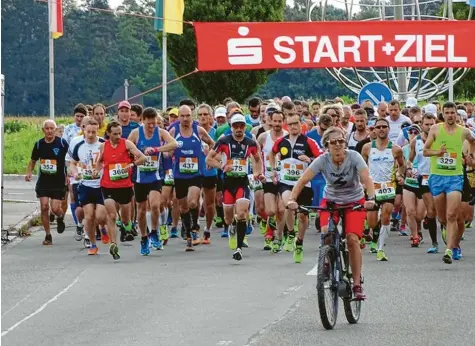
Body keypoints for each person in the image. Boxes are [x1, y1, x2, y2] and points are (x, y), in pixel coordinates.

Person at [288, 126, 376, 300]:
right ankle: (327, 260)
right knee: (326, 232)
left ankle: (357, 284)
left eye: (341, 141)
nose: (338, 145)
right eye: (333, 142)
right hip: (331, 201)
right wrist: (292, 200)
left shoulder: (354, 156)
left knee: (352, 238)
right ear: (326, 146)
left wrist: (371, 198)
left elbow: (366, 178)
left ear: (345, 142)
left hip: (354, 201)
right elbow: (302, 180)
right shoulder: (322, 160)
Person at [206, 113, 265, 261]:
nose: (239, 129)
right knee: (228, 217)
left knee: (242, 212)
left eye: (241, 126)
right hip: (227, 183)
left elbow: (258, 159)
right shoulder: (224, 141)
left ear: (245, 127)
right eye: (235, 126)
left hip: (242, 182)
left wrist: (258, 173)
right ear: (231, 127)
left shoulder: (250, 143)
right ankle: (231, 228)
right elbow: (209, 159)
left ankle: (239, 247)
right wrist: (222, 166)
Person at [423, 101, 475, 264]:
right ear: (443, 114)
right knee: (442, 217)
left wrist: (470, 157)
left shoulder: (464, 131)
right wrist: (438, 152)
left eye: (453, 113)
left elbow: (473, 141)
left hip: (455, 177)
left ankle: (450, 249)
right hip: (437, 177)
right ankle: (451, 239)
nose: (450, 115)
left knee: (452, 214)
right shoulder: (435, 129)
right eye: (447, 112)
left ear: (456, 115)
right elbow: (425, 151)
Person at [269, 112, 323, 263]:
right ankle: (291, 233)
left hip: (304, 183)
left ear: (301, 125)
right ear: (287, 125)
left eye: (295, 124)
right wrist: (274, 169)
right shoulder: (281, 141)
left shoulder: (309, 142)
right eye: (290, 124)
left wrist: (310, 159)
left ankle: (299, 242)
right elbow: (271, 155)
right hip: (286, 182)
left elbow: (322, 157)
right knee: (288, 204)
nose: (293, 127)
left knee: (302, 216)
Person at [128, 107, 178, 255]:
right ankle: (144, 237)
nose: (151, 127)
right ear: (142, 120)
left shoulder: (160, 132)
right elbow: (126, 148)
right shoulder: (136, 133)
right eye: (149, 124)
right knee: (142, 210)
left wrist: (157, 149)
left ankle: (154, 232)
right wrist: (135, 156)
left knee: (155, 205)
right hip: (139, 178)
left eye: (154, 123)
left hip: (155, 177)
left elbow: (174, 143)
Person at [96, 121, 146, 260]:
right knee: (111, 216)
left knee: (125, 219)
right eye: (115, 134)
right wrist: (96, 170)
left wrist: (132, 164)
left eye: (120, 133)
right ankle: (113, 244)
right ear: (108, 134)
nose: (118, 136)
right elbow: (100, 161)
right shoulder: (103, 146)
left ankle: (128, 226)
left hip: (125, 186)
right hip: (107, 185)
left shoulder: (127, 144)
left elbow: (142, 157)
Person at [168, 105, 215, 251]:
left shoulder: (198, 130)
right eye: (182, 116)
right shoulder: (174, 131)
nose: (185, 119)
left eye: (188, 115)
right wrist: (170, 153)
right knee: (183, 206)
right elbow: (167, 150)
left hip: (196, 174)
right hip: (179, 174)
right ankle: (188, 233)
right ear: (179, 117)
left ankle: (194, 228)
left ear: (191, 116)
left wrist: (209, 156)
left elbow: (213, 143)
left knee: (193, 202)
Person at [25, 120, 69, 245]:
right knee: (44, 207)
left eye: (52, 128)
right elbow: (33, 160)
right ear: (43, 130)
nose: (49, 131)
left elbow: (70, 160)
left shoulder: (62, 143)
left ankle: (60, 217)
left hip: (58, 181)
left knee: (55, 209)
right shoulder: (39, 144)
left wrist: (69, 173)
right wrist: (29, 172)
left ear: (55, 130)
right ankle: (48, 235)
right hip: (44, 181)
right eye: (47, 128)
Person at [70, 120, 107, 255]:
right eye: (88, 132)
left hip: (101, 186)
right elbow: (73, 164)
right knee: (89, 216)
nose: (91, 135)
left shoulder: (103, 144)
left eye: (94, 132)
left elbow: (109, 160)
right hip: (86, 186)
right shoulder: (79, 146)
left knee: (100, 217)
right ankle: (92, 244)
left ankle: (103, 227)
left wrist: (102, 169)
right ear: (84, 130)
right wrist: (75, 173)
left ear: (98, 131)